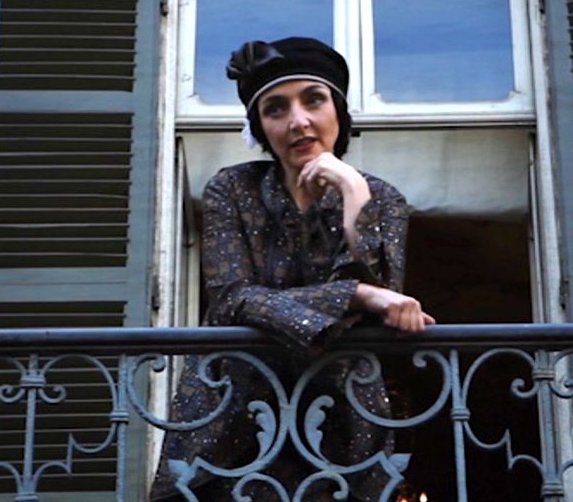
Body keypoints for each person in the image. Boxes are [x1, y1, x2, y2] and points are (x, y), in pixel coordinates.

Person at [149, 37, 435, 501]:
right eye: (276, 109)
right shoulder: (230, 189)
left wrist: (353, 196)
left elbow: (384, 296)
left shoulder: (381, 198)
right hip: (230, 421)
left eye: (313, 100)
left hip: (342, 423)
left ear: (337, 111)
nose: (298, 121)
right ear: (261, 127)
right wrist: (357, 296)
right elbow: (233, 299)